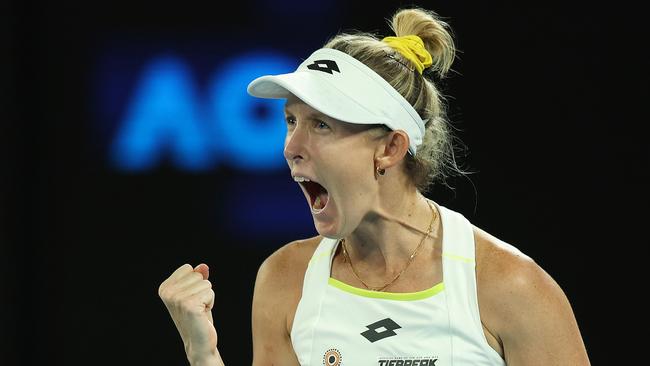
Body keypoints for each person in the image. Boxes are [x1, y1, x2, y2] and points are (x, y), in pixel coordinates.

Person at [158, 6, 591, 366]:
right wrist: (204, 352)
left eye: (321, 125)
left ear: (389, 148)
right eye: (291, 121)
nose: (292, 147)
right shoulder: (285, 279)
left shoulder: (510, 287)